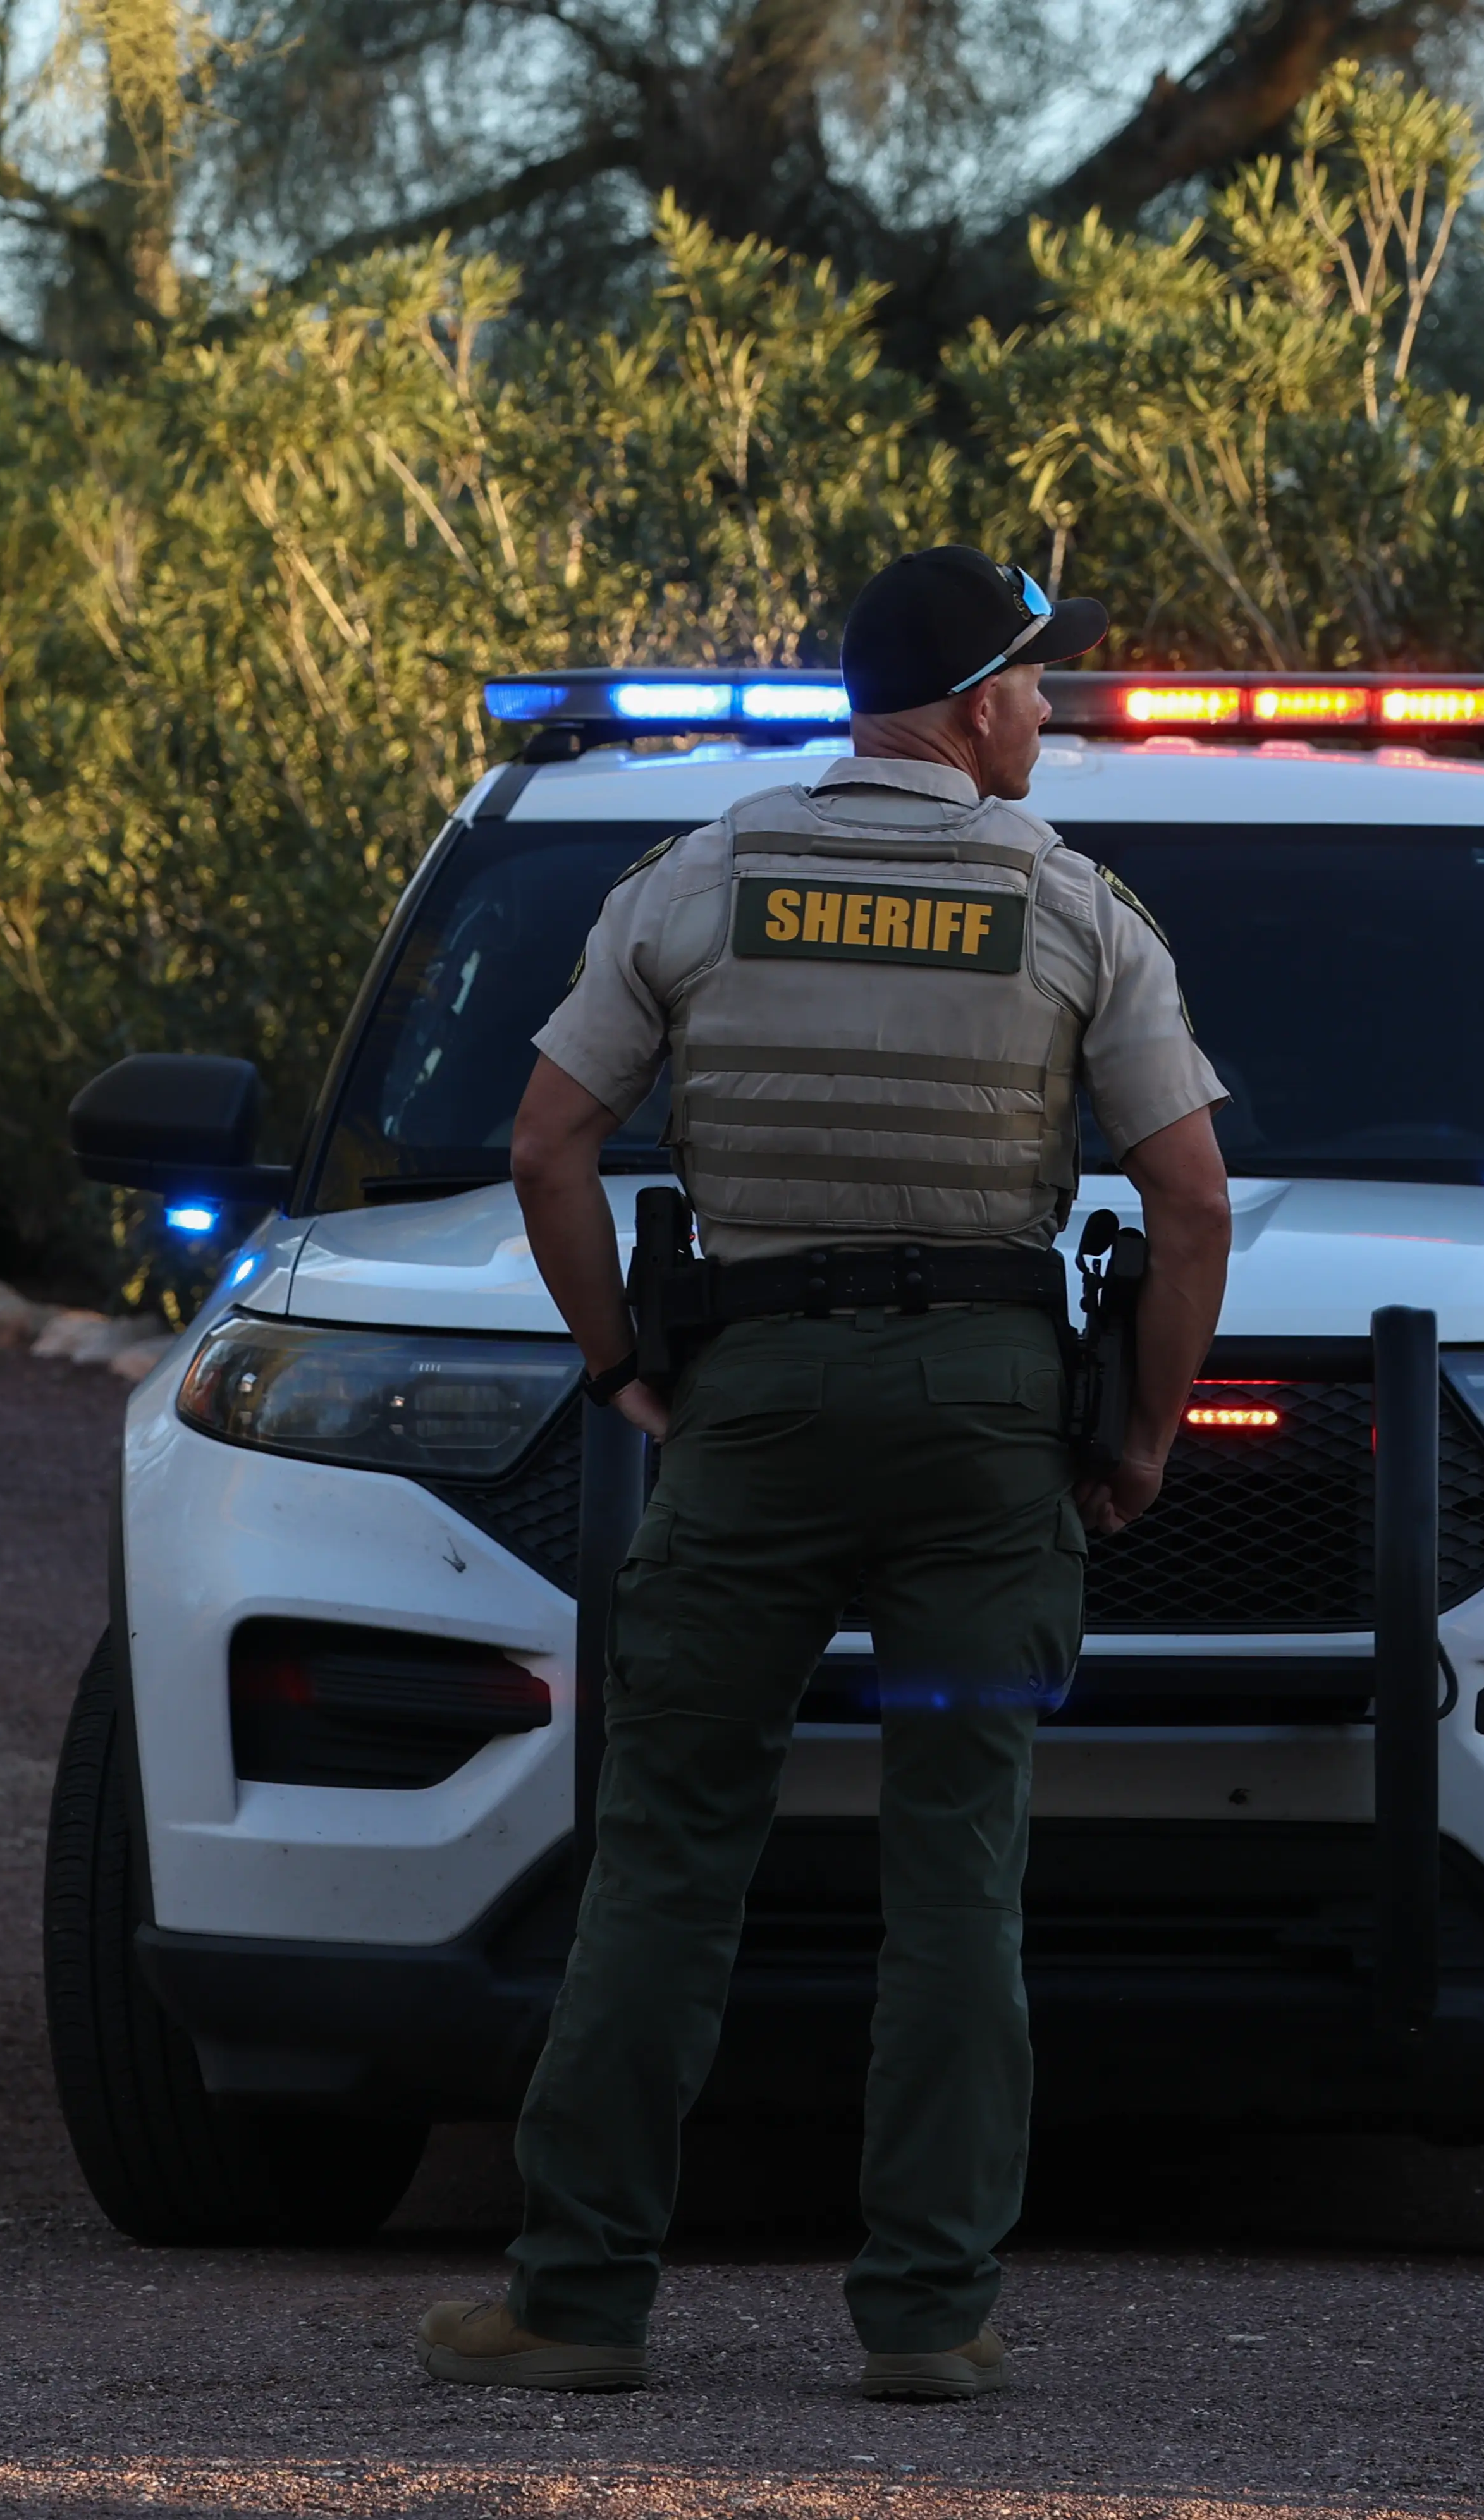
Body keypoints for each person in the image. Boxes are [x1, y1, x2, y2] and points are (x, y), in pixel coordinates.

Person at [414, 546, 1234, 2401]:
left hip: (757, 1416)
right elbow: (1188, 1195)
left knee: (672, 1850)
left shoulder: (702, 877)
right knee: (956, 1866)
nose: (1053, 712)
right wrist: (1146, 1434)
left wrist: (621, 1366)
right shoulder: (1074, 903)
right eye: (1037, 685)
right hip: (979, 1428)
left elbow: (550, 1142)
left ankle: (578, 2294)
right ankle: (931, 2314)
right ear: (968, 705)